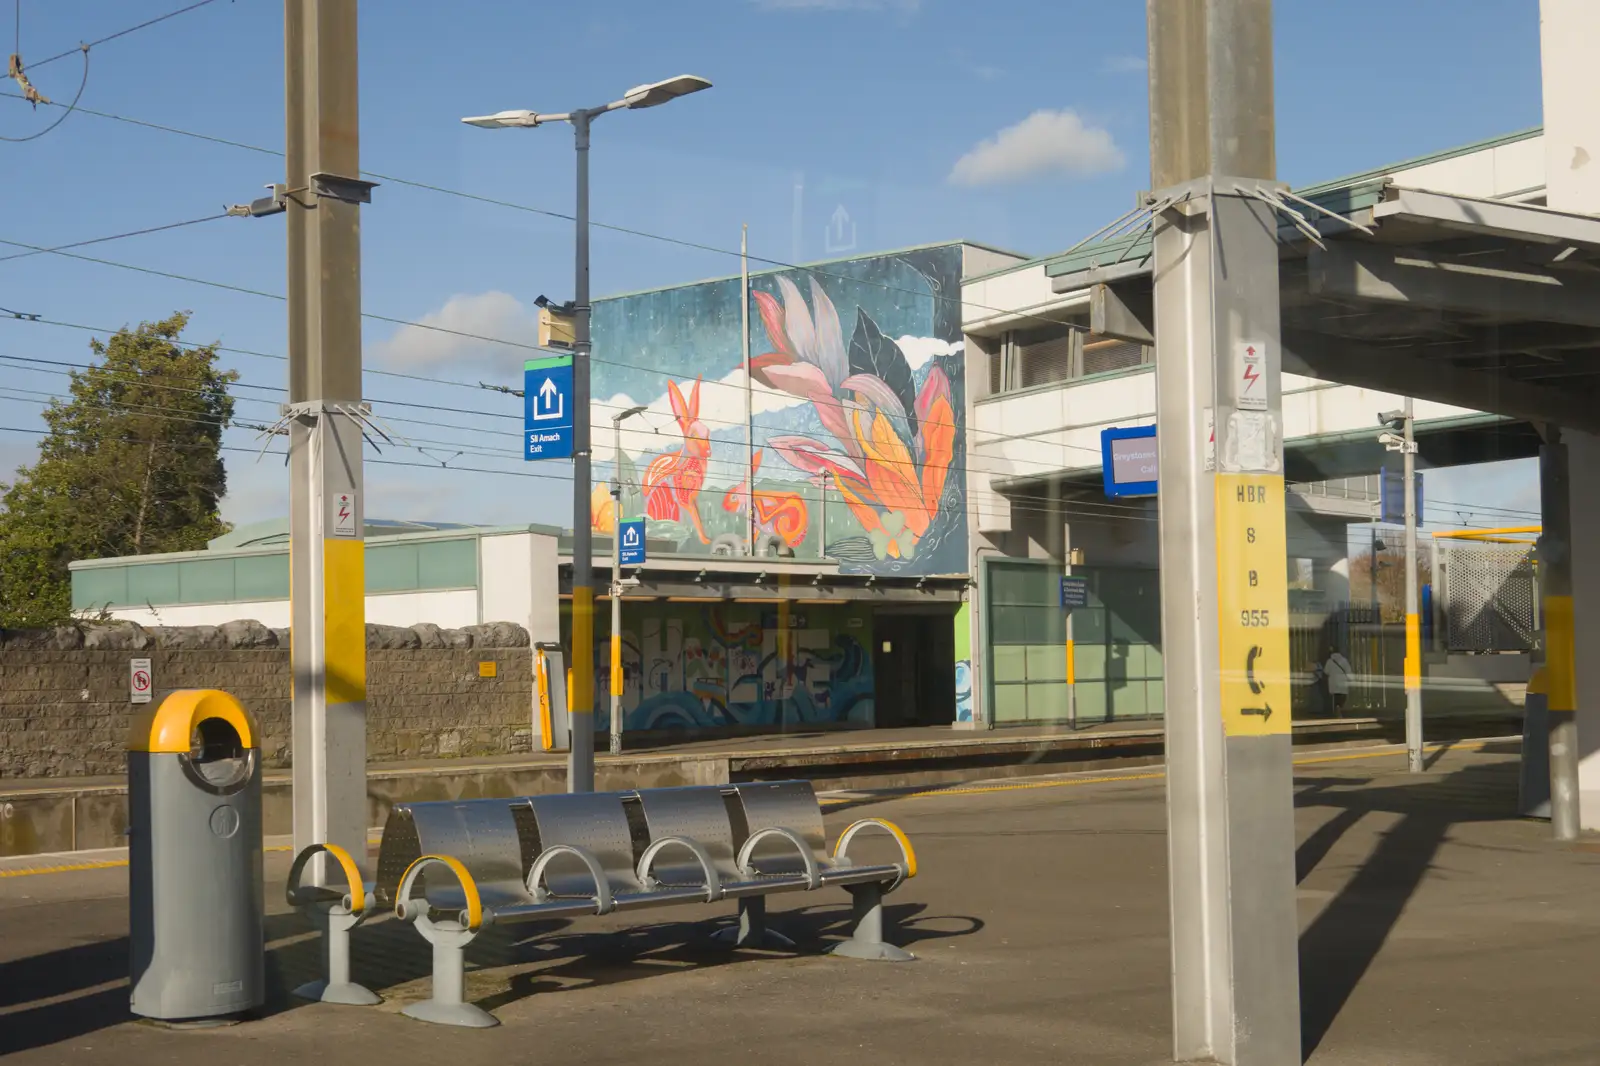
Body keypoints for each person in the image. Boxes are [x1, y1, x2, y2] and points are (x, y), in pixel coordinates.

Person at [1322, 645, 1353, 715]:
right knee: (1343, 696)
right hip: (1343, 682)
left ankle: (1337, 708)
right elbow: (1348, 671)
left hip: (1333, 683)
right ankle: (1340, 707)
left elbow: (1326, 671)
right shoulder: (1344, 660)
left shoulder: (1329, 661)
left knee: (1335, 697)